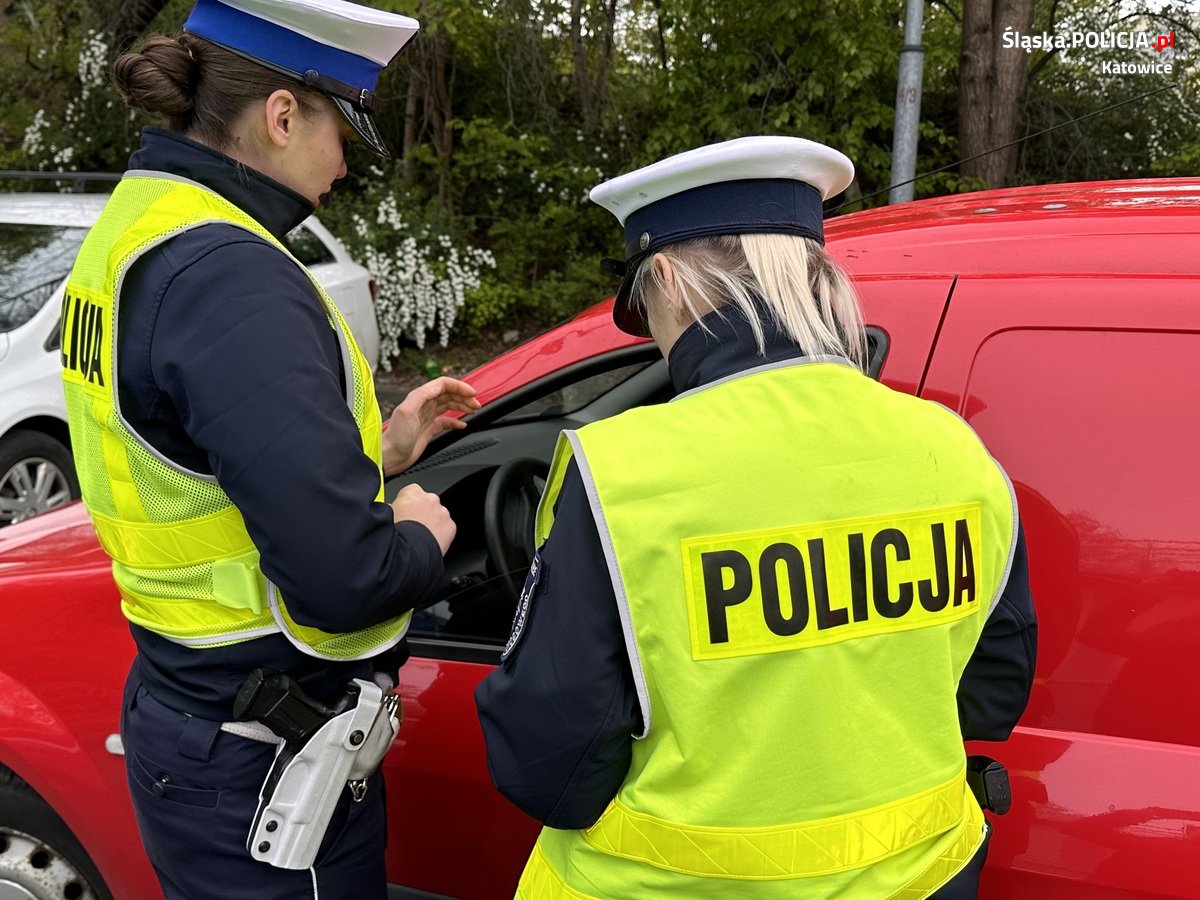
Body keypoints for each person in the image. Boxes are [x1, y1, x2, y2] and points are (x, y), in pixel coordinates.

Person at [475, 136, 1038, 898]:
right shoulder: (954, 449)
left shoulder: (626, 471)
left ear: (667, 278)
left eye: (646, 309)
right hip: (924, 878)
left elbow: (549, 765)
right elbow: (988, 693)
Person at [59, 1, 479, 897]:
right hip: (267, 761)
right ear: (282, 116)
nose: (341, 168)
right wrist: (418, 533)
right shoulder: (231, 274)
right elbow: (344, 583)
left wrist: (382, 451)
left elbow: (190, 453)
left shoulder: (144, 220)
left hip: (193, 713)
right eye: (341, 135)